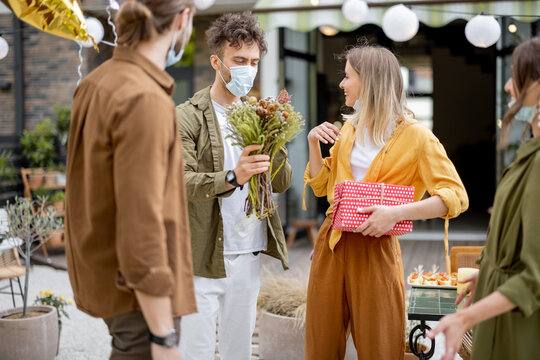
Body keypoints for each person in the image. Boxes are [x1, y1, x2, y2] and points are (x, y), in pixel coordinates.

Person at [303, 45, 468, 359]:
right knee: (320, 345)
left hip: (376, 249)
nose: (342, 84)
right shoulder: (349, 129)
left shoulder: (418, 138)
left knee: (381, 346)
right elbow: (324, 189)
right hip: (331, 244)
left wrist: (395, 214)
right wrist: (313, 144)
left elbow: (455, 197)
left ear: (369, 81)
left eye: (348, 76)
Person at [65, 1, 196, 359]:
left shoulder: (96, 82)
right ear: (182, 19)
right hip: (141, 300)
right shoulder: (144, 98)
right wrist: (164, 336)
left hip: (115, 286)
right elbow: (142, 221)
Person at [176, 12, 292, 360]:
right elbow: (180, 182)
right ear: (217, 61)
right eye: (239, 60)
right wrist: (233, 177)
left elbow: (282, 183)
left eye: (254, 61)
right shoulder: (187, 115)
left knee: (238, 350)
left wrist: (276, 136)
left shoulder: (259, 114)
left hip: (248, 250)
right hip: (202, 254)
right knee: (194, 350)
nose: (248, 69)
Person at [428, 37, 540, 360]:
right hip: (502, 316)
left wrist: (464, 317)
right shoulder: (528, 153)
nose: (507, 86)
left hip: (518, 331)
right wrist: (488, 274)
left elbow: (534, 277)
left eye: (516, 77)